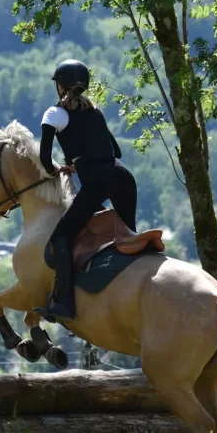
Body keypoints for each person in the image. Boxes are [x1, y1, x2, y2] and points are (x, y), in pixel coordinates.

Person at [34, 59, 138, 323]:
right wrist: (81, 163)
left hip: (97, 183)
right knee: (130, 238)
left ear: (60, 86)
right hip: (123, 176)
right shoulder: (95, 110)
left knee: (61, 238)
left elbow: (45, 158)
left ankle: (66, 304)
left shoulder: (54, 114)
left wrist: (57, 170)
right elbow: (116, 152)